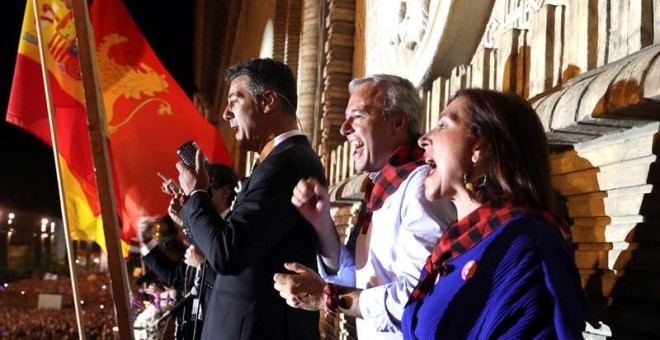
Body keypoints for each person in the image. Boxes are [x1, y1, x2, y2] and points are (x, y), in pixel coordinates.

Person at [273, 74, 455, 339]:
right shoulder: (383, 186)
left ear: (398, 122)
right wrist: (322, 223)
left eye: (357, 116)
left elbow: (417, 296)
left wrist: (327, 297)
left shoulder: (420, 188)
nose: (344, 128)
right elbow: (356, 279)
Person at [402, 89, 585, 338]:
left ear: (480, 147)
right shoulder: (453, 246)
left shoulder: (523, 244)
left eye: (443, 125)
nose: (423, 139)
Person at [175, 58, 326, 340]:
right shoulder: (273, 162)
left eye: (234, 101)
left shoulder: (285, 164)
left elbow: (227, 253)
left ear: (267, 101)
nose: (226, 113)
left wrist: (196, 194)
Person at [139, 163, 238, 339]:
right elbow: (177, 277)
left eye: (206, 190)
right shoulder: (203, 231)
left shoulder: (231, 228)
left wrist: (203, 263)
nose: (200, 197)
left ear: (225, 192)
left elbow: (235, 282)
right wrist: (146, 240)